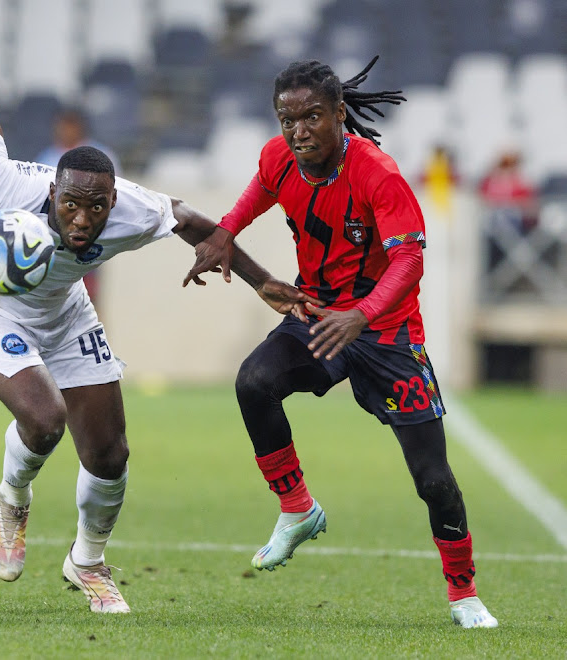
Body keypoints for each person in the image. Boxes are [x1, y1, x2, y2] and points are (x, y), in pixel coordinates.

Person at [0, 59, 315, 614]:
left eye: (96, 208)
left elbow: (192, 221)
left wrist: (261, 280)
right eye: (71, 204)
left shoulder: (131, 209)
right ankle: (13, 498)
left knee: (109, 453)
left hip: (64, 311)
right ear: (52, 191)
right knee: (44, 417)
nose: (82, 220)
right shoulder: (4, 185)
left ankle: (87, 561)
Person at [184, 56, 498, 629]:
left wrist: (363, 314)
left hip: (387, 331)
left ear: (339, 115)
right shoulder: (280, 157)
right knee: (254, 383)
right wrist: (226, 232)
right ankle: (297, 509)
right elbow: (262, 188)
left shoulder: (377, 173)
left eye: (313, 117)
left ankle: (464, 593)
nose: (299, 130)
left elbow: (408, 260)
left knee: (432, 478)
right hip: (319, 314)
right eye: (287, 118)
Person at [35, 106, 121, 308]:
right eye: (62, 126)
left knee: (90, 302)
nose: (66, 131)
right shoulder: (46, 159)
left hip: (90, 243)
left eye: (70, 126)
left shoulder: (102, 157)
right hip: (53, 246)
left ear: (80, 127)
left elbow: (118, 199)